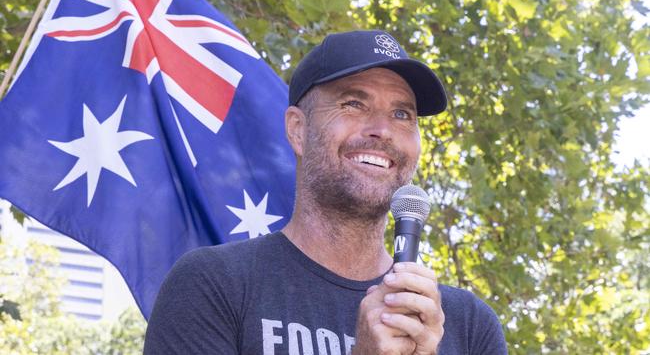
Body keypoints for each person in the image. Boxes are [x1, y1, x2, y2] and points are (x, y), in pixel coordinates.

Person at [144, 30, 508, 355]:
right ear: (297, 129)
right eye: (354, 103)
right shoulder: (213, 285)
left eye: (402, 114)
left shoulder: (469, 326)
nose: (382, 129)